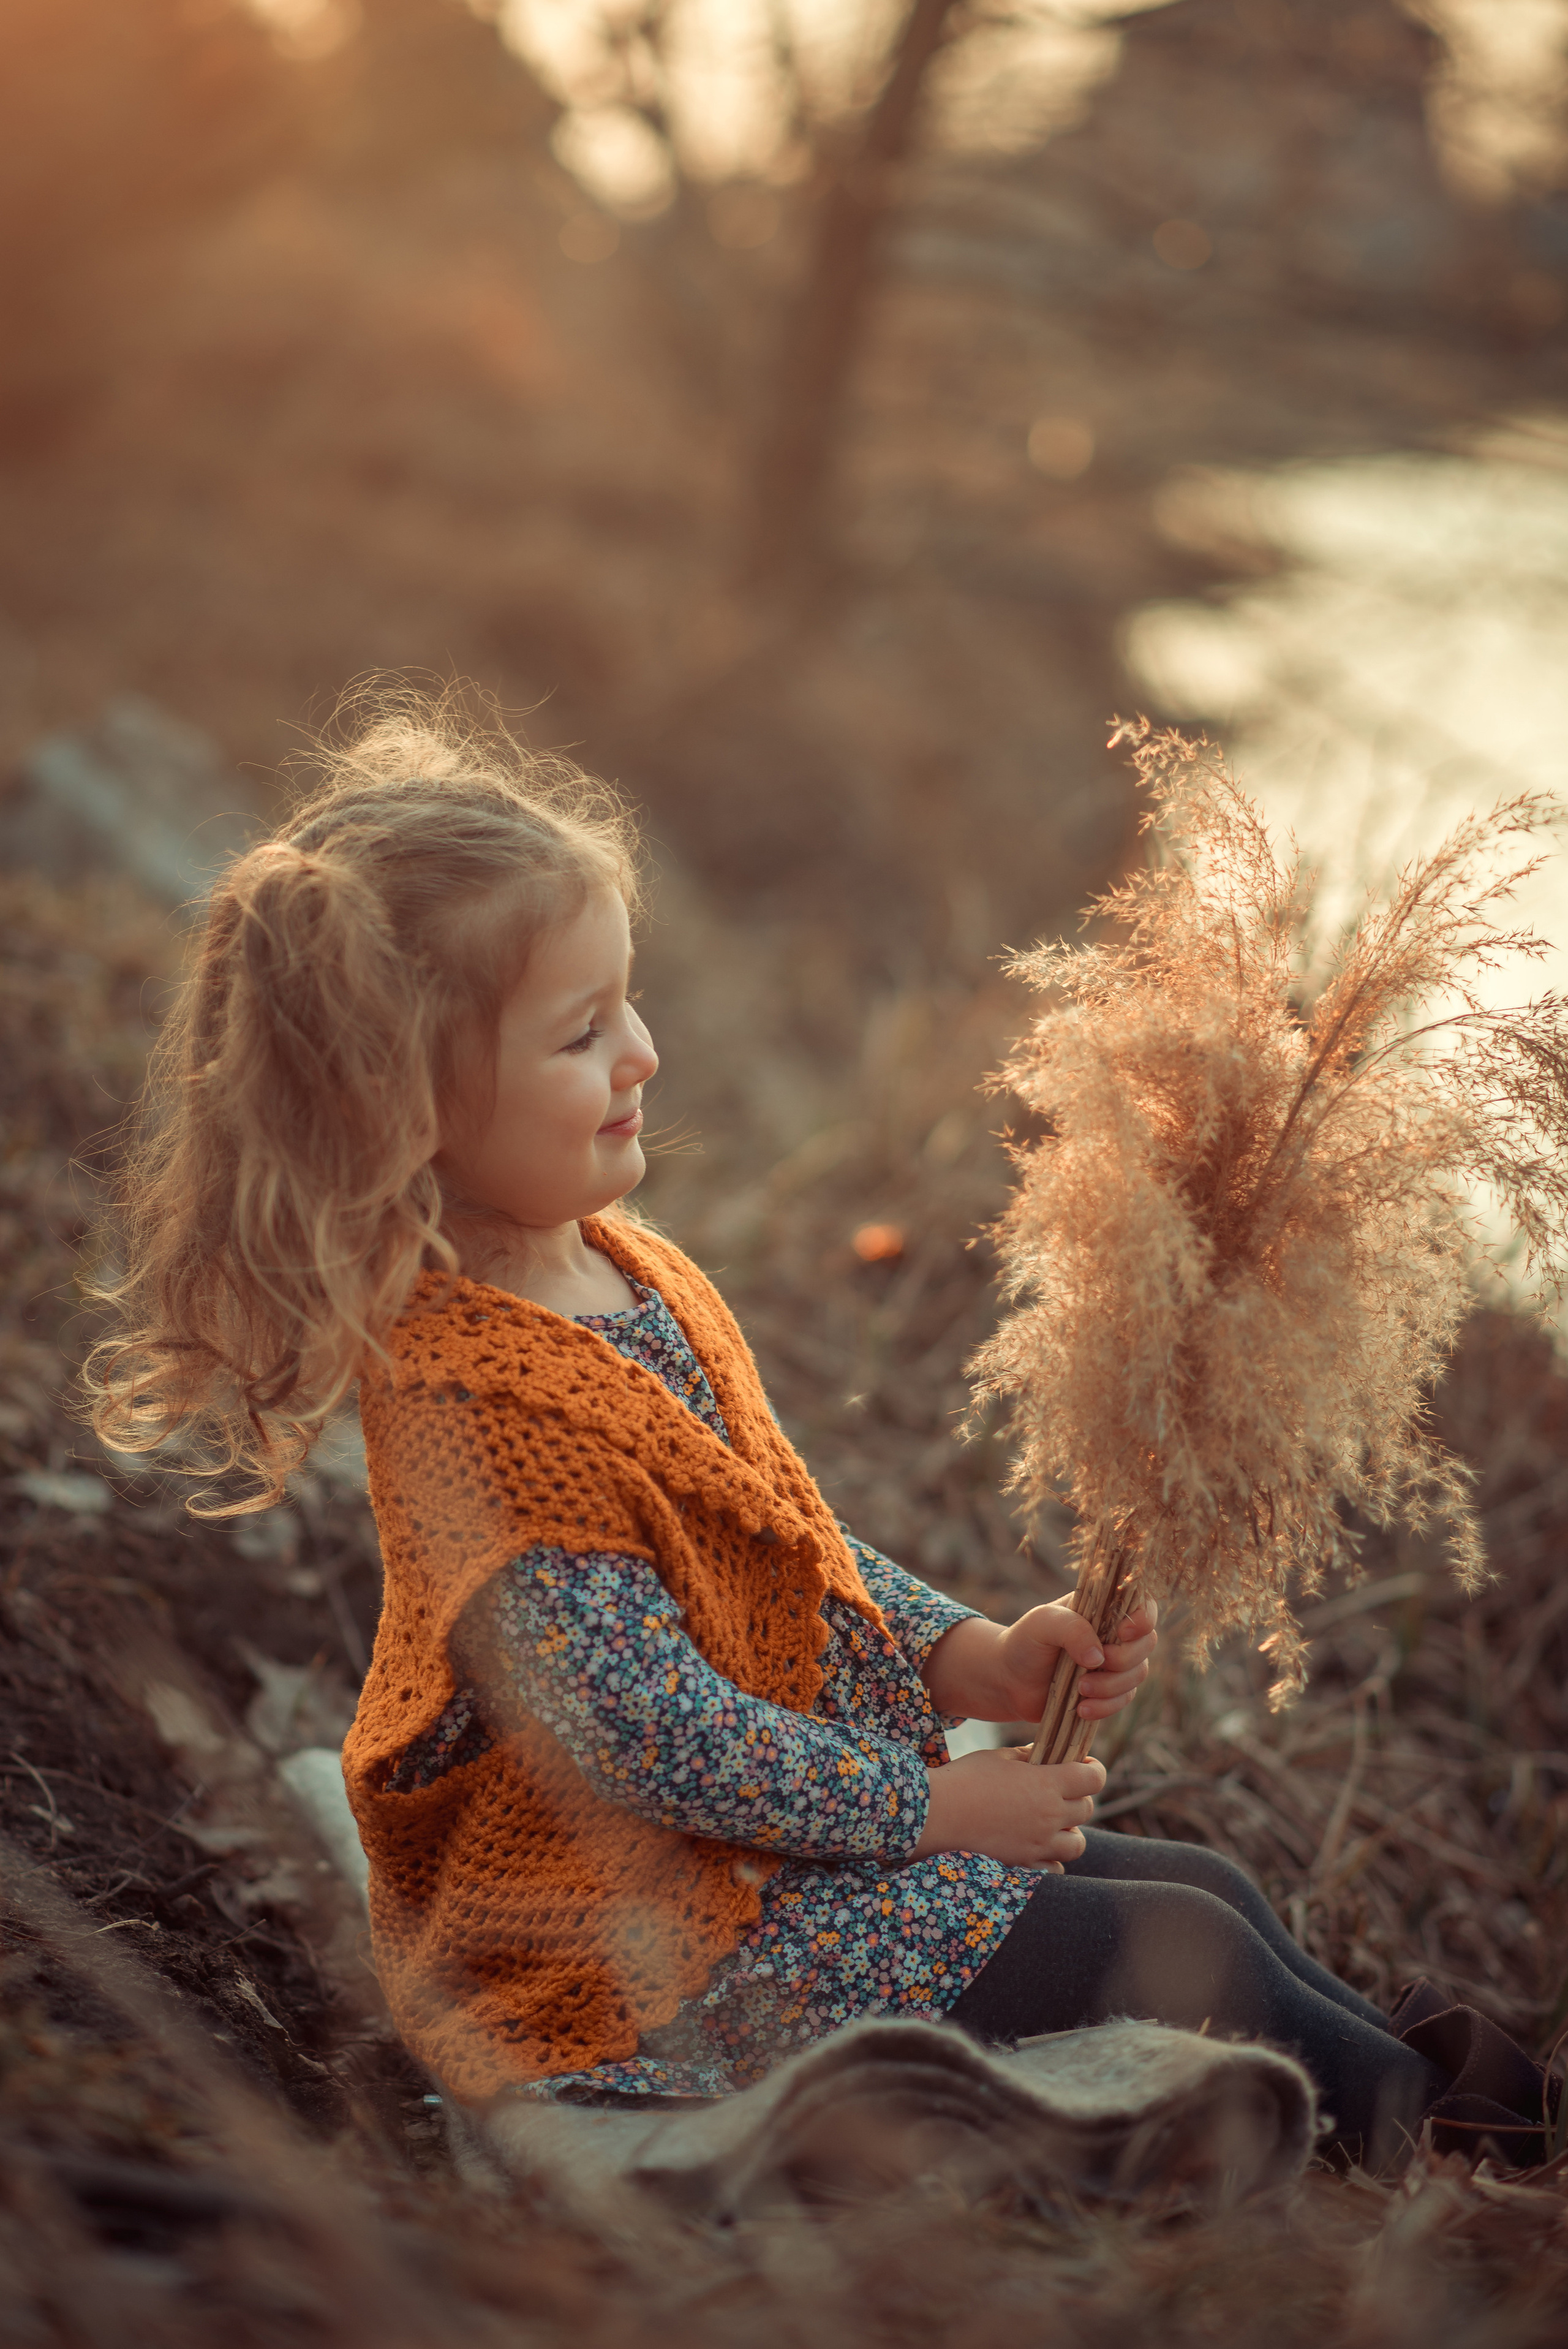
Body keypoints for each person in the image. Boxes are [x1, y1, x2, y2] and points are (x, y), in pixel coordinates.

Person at [86, 703, 1551, 2171]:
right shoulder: (477, 1411)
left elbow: (781, 1543)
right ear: (401, 1105)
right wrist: (932, 1805)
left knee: (1201, 1885)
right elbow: (640, 1737)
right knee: (1175, 1944)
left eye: (630, 1003)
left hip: (756, 1873)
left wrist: (962, 1653)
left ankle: (1448, 2093)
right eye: (579, 1032)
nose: (643, 1056)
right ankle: (1457, 2161)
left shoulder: (626, 1269)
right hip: (644, 1964)